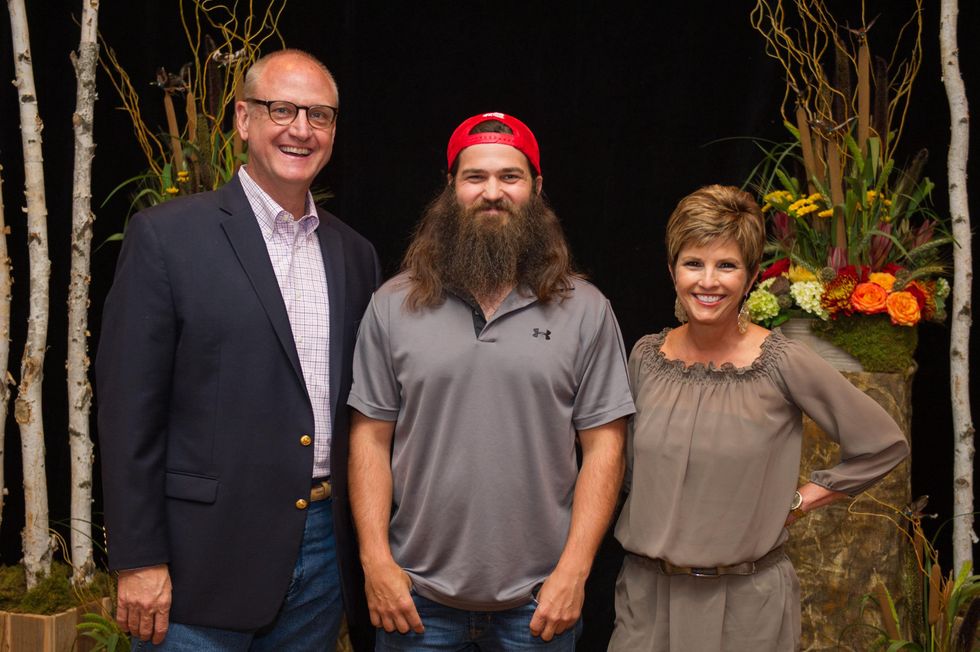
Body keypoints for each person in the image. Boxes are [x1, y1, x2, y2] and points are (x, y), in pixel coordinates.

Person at [96, 49, 380, 650]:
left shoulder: (355, 255)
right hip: (201, 557)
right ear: (243, 120)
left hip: (325, 554)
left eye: (320, 116)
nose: (301, 130)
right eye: (283, 109)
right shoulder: (167, 237)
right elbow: (129, 413)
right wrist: (138, 558)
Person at [346, 111, 635, 651]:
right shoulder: (393, 305)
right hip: (414, 602)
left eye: (510, 176)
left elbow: (605, 449)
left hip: (539, 607)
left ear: (537, 188)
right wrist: (376, 562)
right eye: (474, 177)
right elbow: (369, 437)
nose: (492, 192)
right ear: (450, 188)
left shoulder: (586, 310)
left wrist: (574, 573)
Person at [607, 184, 910, 651]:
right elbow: (623, 474)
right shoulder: (646, 358)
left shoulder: (781, 361)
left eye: (726, 265)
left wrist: (796, 503)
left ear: (750, 278)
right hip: (647, 603)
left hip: (746, 609)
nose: (708, 281)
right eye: (694, 263)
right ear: (672, 272)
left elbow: (883, 443)